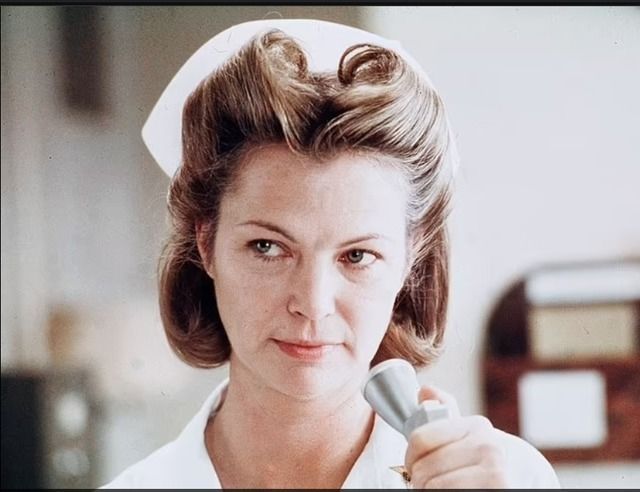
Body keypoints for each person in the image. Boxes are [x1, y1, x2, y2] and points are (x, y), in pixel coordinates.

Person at [103, 19, 560, 489]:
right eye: (268, 247)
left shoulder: (513, 479)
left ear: (411, 258)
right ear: (206, 243)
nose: (313, 303)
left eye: (357, 255)